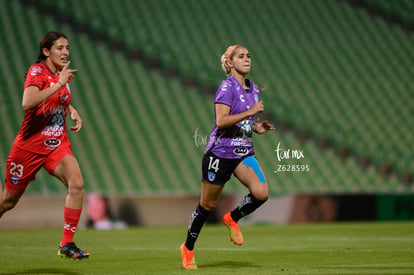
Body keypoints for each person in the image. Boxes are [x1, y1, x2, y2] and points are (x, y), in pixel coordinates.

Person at [180, 45, 275, 269]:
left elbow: (243, 124)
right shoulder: (226, 87)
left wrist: (256, 128)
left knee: (261, 193)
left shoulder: (254, 89)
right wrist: (251, 113)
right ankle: (188, 247)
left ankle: (232, 218)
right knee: (207, 205)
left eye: (249, 56)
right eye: (241, 56)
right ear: (230, 62)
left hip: (243, 150)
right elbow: (221, 121)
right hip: (220, 153)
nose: (247, 59)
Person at [0, 31, 89, 260]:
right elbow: (27, 102)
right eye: (60, 48)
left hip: (56, 143)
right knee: (7, 202)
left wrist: (72, 110)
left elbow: (59, 98)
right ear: (46, 51)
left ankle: (67, 245)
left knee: (77, 184)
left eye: (67, 47)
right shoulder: (37, 71)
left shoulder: (62, 74)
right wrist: (59, 83)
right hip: (29, 147)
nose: (65, 52)